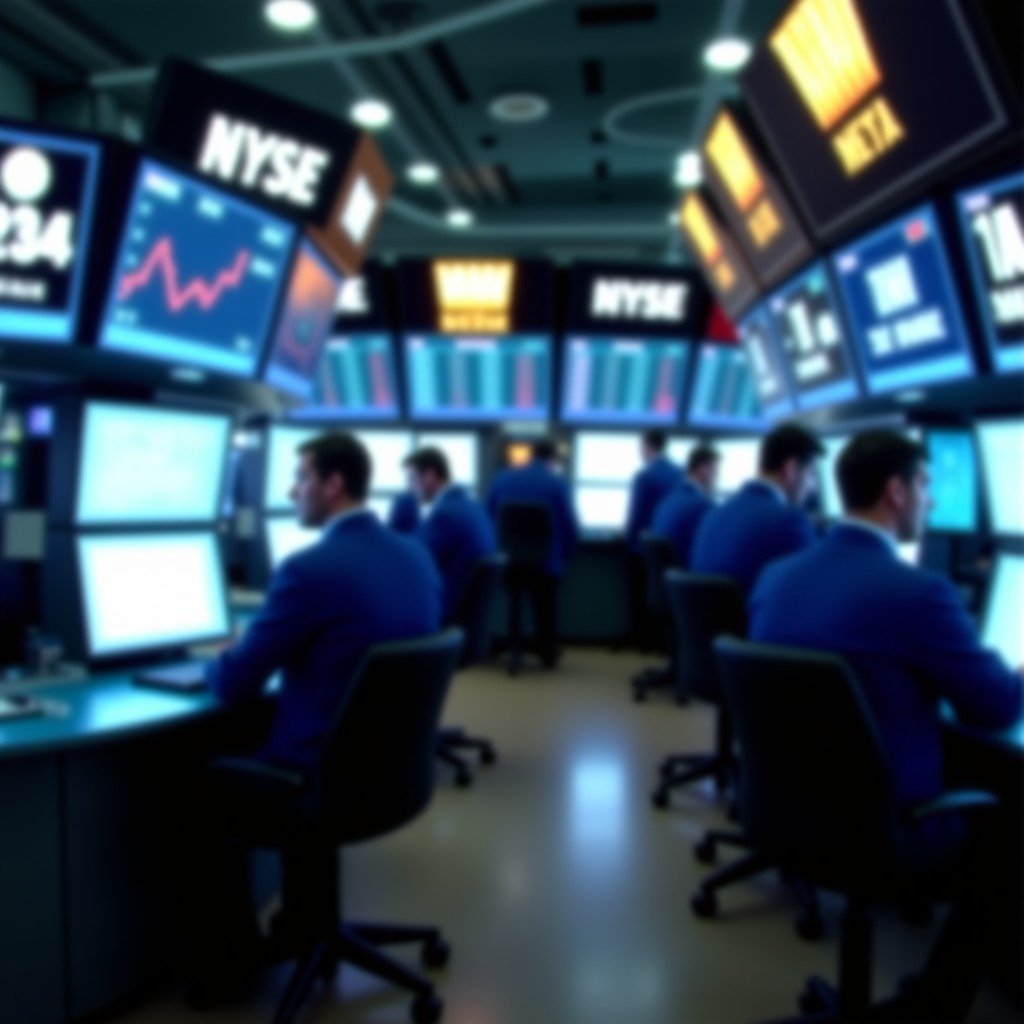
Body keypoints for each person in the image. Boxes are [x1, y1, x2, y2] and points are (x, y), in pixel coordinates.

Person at [749, 430, 1023, 1022]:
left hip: (784, 814)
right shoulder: (921, 594)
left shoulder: (776, 577)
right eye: (925, 484)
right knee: (1011, 830)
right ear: (896, 492)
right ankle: (937, 1004)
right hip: (876, 830)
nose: (932, 499)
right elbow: (998, 707)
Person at [207, 431, 443, 771]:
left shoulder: (305, 570)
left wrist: (223, 656)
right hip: (394, 767)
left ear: (333, 485)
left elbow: (233, 685)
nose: (292, 492)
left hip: (316, 769)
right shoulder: (418, 555)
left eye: (302, 478)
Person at [691, 422, 822, 596]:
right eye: (811, 474)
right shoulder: (789, 522)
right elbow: (815, 591)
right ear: (790, 470)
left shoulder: (713, 514)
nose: (812, 487)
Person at [486, 437, 579, 667]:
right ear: (552, 459)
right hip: (545, 565)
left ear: (531, 455)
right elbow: (570, 527)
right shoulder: (558, 484)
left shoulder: (502, 478)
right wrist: (566, 556)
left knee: (514, 590)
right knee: (547, 595)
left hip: (507, 564)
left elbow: (487, 519)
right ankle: (547, 649)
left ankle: (508, 642)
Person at [404, 446, 497, 622]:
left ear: (430, 475)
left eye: (412, 480)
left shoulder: (445, 514)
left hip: (445, 610)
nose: (410, 488)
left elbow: (412, 556)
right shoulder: (472, 506)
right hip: (468, 612)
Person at [649, 443, 720, 568]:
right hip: (686, 572)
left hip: (663, 577)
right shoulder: (703, 506)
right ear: (702, 470)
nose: (717, 477)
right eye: (714, 471)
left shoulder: (667, 500)